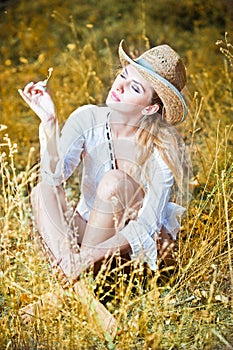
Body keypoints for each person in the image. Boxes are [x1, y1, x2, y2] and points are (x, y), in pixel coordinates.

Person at [18, 40, 191, 336]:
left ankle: (67, 291)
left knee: (113, 181)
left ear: (150, 107)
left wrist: (84, 257)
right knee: (41, 193)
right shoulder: (88, 118)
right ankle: (85, 296)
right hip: (94, 238)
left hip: (140, 252)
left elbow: (146, 227)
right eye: (124, 75)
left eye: (136, 88)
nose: (120, 86)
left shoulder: (162, 151)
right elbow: (53, 176)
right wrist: (49, 122)